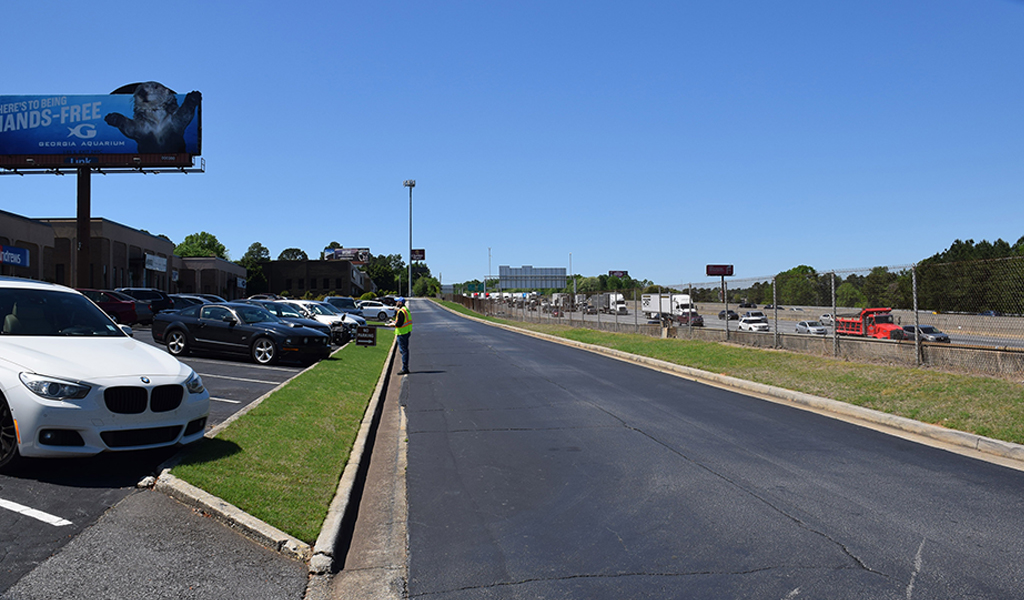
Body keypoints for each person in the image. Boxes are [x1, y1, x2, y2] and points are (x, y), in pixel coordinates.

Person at [390, 297, 412, 374]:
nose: (396, 303)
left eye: (397, 302)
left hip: (402, 333)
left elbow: (399, 323)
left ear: (400, 303)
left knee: (403, 351)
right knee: (405, 350)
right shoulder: (406, 310)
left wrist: (393, 324)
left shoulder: (401, 312)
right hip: (407, 332)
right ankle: (405, 367)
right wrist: (394, 321)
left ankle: (404, 368)